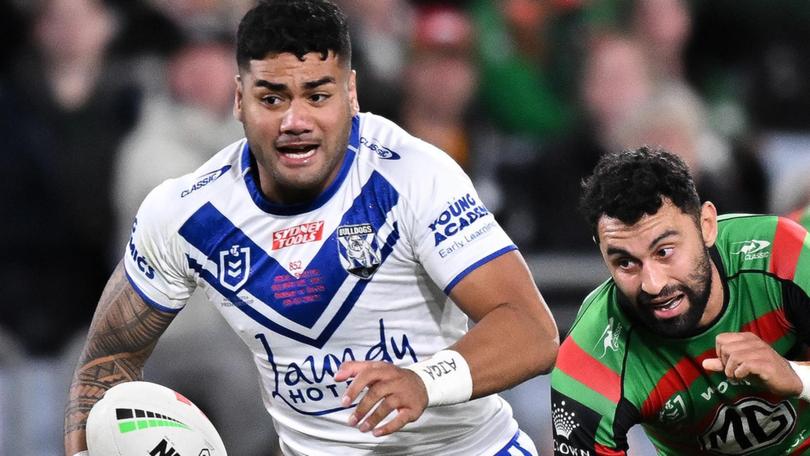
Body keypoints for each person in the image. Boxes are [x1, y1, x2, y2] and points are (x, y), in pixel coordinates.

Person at [64, 1, 560, 455]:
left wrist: (423, 381)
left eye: (317, 95)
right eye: (272, 98)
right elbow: (107, 361)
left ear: (351, 94)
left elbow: (532, 331)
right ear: (240, 100)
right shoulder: (185, 213)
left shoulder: (413, 176)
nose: (294, 120)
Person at [549, 146, 810, 455]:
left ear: (706, 226)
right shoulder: (590, 358)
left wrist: (797, 376)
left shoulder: (784, 254)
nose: (653, 284)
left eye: (665, 251)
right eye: (625, 263)